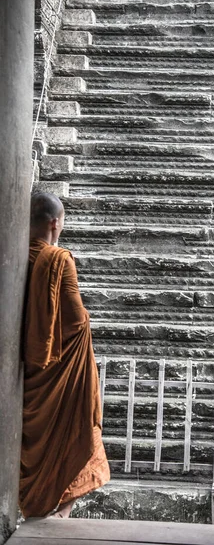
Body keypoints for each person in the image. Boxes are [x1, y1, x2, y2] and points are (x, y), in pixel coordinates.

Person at [19, 192, 110, 519]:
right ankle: (62, 510)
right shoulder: (58, 260)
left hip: (26, 371)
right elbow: (74, 320)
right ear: (56, 222)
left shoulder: (16, 254)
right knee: (82, 431)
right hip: (59, 370)